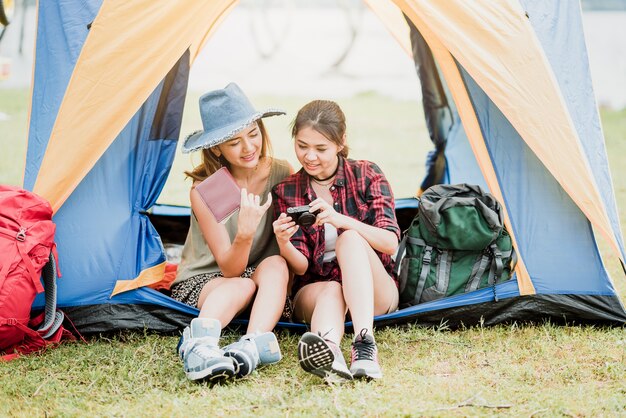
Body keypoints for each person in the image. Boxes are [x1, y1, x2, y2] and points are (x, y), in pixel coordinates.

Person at [171, 83, 292, 382]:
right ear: (216, 147)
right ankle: (199, 346)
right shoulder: (210, 188)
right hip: (209, 278)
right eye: (234, 142)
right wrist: (245, 233)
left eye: (253, 134)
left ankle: (250, 346)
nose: (249, 147)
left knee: (276, 264)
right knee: (242, 286)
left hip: (259, 274)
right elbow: (230, 269)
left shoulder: (281, 173)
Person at [272, 100, 400, 381]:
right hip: (319, 289)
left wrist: (342, 221)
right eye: (302, 145)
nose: (309, 157)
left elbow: (390, 243)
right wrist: (283, 242)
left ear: (341, 142)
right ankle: (329, 353)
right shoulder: (287, 190)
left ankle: (365, 345)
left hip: (374, 289)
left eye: (321, 149)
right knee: (331, 289)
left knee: (349, 239)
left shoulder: (367, 174)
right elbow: (302, 268)